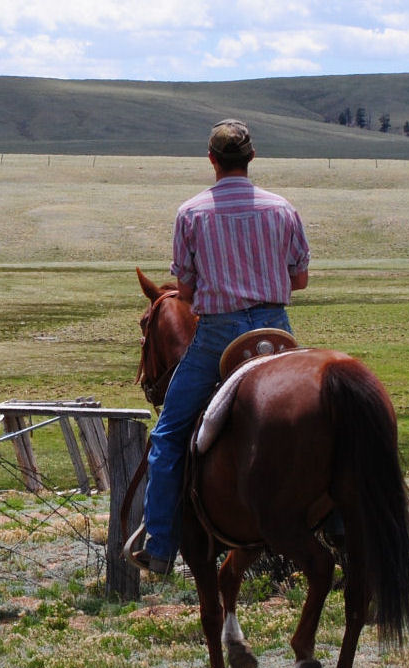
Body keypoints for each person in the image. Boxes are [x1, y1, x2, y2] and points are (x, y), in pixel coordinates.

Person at [131, 119, 311, 575]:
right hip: (275, 332)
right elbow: (300, 279)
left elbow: (186, 294)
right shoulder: (282, 208)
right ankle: (343, 531)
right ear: (252, 158)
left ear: (211, 160)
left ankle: (160, 544)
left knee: (169, 435)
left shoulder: (191, 213)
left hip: (217, 336)